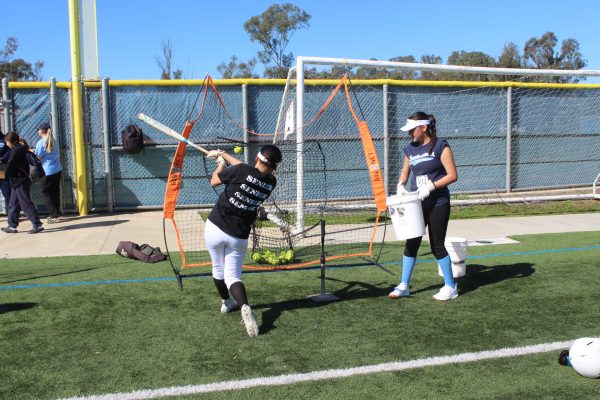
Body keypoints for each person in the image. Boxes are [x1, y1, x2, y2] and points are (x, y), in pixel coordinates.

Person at [204, 144, 282, 337]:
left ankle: (226, 302)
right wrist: (223, 154)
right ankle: (244, 305)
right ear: (274, 167)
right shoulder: (271, 182)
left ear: (257, 158)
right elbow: (246, 171)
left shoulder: (240, 170)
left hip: (215, 227)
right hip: (238, 235)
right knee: (233, 276)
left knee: (217, 269)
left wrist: (221, 163)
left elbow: (214, 181)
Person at [389, 111, 459, 301]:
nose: (410, 133)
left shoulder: (440, 145)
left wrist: (432, 186)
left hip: (438, 202)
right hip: (416, 202)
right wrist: (400, 185)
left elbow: (452, 175)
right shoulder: (409, 149)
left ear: (424, 127)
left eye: (412, 130)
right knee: (412, 242)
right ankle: (404, 285)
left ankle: (451, 287)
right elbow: (405, 172)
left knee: (437, 245)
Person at [1, 131, 44, 234]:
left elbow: (11, 166)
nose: (6, 144)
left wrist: (4, 173)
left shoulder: (17, 150)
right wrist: (2, 160)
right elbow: (9, 160)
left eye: (7, 142)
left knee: (25, 203)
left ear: (11, 141)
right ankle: (12, 226)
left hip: (20, 180)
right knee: (13, 204)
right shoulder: (18, 148)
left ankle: (37, 225)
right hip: (17, 181)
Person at [34, 122, 63, 223]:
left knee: (45, 192)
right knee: (54, 191)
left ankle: (53, 214)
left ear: (42, 130)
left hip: (47, 171)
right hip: (57, 169)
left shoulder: (41, 142)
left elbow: (37, 157)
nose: (38, 131)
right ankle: (57, 213)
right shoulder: (53, 140)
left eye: (38, 129)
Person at [0, 129, 12, 213]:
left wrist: (2, 159)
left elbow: (10, 151)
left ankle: (13, 214)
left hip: (2, 170)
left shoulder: (4, 140)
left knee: (7, 192)